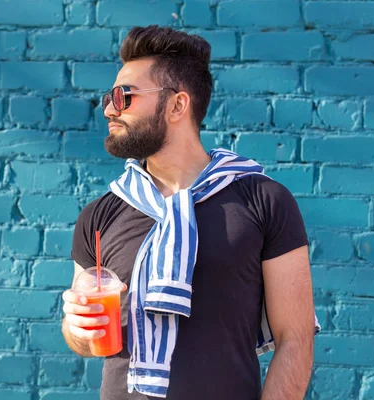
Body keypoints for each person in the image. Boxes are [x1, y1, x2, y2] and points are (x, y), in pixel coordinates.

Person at [61, 25, 319, 399]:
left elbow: (294, 340)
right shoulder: (101, 215)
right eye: (109, 97)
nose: (108, 108)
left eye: (124, 96)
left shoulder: (264, 201)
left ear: (177, 105)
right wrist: (78, 327)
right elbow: (83, 340)